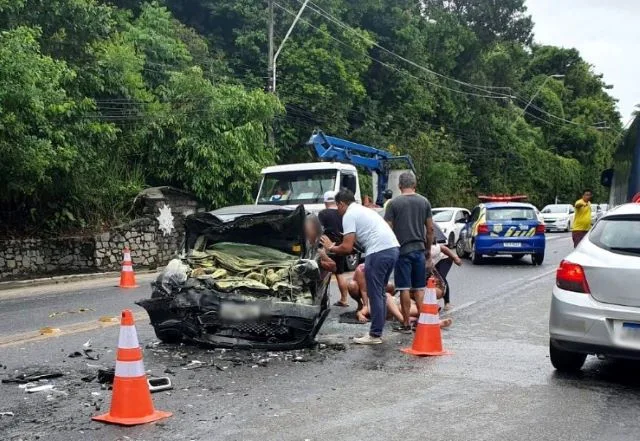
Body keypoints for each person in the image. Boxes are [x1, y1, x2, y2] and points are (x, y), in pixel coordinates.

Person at [320, 189, 400, 345]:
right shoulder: (363, 210)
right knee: (380, 292)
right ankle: (378, 330)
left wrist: (331, 247)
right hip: (392, 249)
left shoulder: (349, 214)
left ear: (341, 204)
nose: (338, 211)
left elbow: (347, 248)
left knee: (375, 292)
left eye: (338, 207)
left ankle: (375, 335)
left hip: (378, 251)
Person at [384, 172, 434, 333]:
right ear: (415, 185)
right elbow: (430, 229)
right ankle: (423, 321)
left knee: (404, 288)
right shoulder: (424, 202)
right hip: (419, 250)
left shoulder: (393, 204)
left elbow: (387, 229)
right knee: (419, 288)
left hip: (402, 251)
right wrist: (427, 250)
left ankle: (406, 323)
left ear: (399, 186)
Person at [349, 263, 452, 328]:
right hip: (395, 308)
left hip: (397, 305)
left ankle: (430, 321)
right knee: (390, 298)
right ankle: (408, 320)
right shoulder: (371, 303)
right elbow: (361, 311)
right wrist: (361, 315)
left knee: (412, 304)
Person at [318, 191, 350, 307]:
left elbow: (319, 231)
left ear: (325, 202)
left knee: (324, 273)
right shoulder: (342, 212)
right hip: (340, 246)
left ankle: (322, 300)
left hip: (326, 247)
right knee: (339, 273)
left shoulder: (322, 214)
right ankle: (344, 299)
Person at [429, 243, 462, 310]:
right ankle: (432, 302)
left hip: (444, 258)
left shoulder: (430, 249)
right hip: (433, 263)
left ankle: (447, 302)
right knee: (430, 280)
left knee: (440, 277)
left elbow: (443, 248)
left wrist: (455, 258)